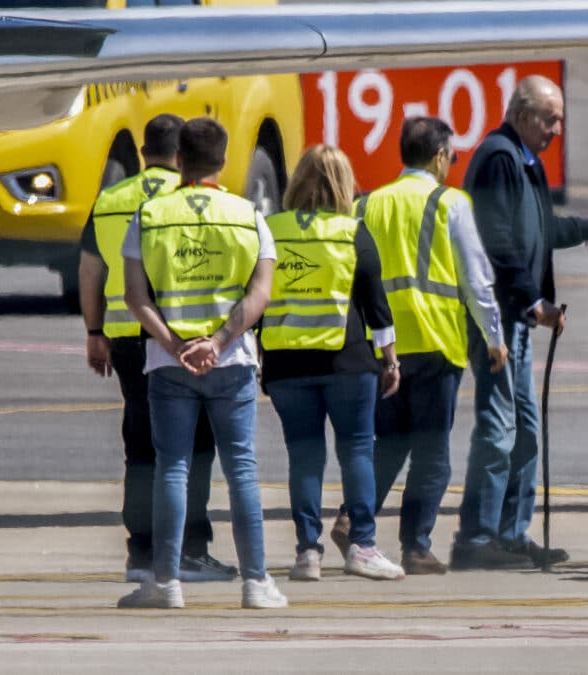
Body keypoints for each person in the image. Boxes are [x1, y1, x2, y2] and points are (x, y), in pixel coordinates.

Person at [117, 117, 286, 609]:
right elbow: (260, 294)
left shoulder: (149, 216)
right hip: (230, 362)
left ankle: (166, 582)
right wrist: (218, 340)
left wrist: (175, 344)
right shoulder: (248, 214)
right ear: (224, 162)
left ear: (179, 161)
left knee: (172, 468)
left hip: (168, 365)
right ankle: (256, 583)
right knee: (242, 470)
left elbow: (134, 295)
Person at [333, 117, 507, 576]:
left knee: (386, 443)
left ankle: (353, 515)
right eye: (451, 155)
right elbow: (476, 277)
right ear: (438, 157)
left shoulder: (366, 205)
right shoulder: (450, 202)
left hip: (380, 346)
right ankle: (416, 545)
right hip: (435, 343)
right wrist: (494, 336)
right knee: (432, 452)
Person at [79, 113, 237, 584]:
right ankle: (190, 547)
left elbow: (90, 269)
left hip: (126, 338)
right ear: (181, 153)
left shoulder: (110, 199)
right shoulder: (188, 196)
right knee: (194, 445)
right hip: (179, 337)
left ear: (144, 152)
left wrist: (94, 332)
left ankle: (142, 551)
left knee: (141, 443)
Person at [452, 75, 588, 570]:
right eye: (549, 118)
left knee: (526, 429)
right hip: (497, 319)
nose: (557, 128)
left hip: (516, 319)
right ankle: (476, 537)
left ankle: (512, 534)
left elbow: (542, 228)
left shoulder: (527, 161)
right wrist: (535, 302)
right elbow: (496, 237)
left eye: (559, 118)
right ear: (521, 115)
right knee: (498, 428)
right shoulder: (499, 157)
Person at [260, 145, 403, 582]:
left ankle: (308, 552)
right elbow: (376, 304)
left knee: (304, 455)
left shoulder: (270, 228)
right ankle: (362, 545)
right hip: (348, 362)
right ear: (345, 185)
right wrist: (391, 360)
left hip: (286, 363)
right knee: (357, 449)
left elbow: (256, 293)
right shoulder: (352, 232)